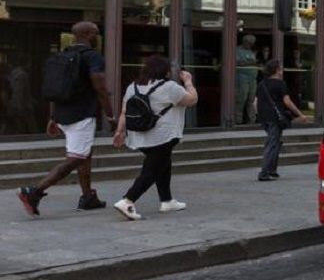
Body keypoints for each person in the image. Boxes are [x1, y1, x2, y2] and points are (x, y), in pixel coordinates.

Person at [17, 22, 114, 216]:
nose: (98, 36)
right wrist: (110, 115)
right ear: (87, 35)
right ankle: (34, 191)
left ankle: (88, 197)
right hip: (82, 116)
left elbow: (55, 89)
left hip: (63, 114)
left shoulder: (62, 55)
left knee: (84, 155)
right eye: (96, 33)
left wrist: (53, 117)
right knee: (76, 158)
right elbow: (100, 88)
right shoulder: (93, 56)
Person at [111, 55, 198, 221]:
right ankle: (128, 201)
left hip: (139, 135)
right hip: (162, 136)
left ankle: (167, 200)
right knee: (152, 170)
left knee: (163, 164)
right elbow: (192, 99)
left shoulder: (133, 87)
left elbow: (124, 112)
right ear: (165, 71)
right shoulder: (170, 87)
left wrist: (119, 131)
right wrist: (188, 82)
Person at [255, 59, 305, 182]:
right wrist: (300, 114)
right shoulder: (280, 84)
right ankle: (264, 173)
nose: (283, 70)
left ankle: (272, 170)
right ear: (277, 70)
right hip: (275, 118)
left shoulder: (262, 84)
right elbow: (287, 101)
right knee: (272, 144)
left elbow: (255, 103)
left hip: (264, 118)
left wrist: (259, 114)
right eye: (281, 68)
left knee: (275, 142)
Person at [234, 35, 258, 124]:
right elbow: (237, 62)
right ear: (244, 42)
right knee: (240, 100)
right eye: (249, 43)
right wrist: (251, 62)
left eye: (252, 44)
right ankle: (237, 121)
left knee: (251, 101)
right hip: (242, 79)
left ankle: (251, 121)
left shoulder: (251, 52)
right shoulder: (237, 50)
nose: (250, 45)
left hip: (252, 79)